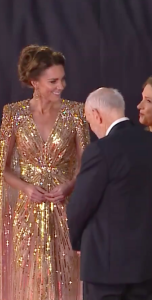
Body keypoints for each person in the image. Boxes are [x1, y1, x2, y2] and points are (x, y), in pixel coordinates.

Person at [0, 44, 90, 300]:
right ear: (34, 81)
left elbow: (88, 165)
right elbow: (3, 167)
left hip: (66, 208)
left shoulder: (76, 112)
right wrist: (26, 188)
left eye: (63, 79)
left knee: (68, 273)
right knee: (31, 275)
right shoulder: (14, 114)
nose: (61, 86)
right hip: (28, 210)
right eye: (53, 81)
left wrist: (69, 186)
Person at [67, 88, 152, 300]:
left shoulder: (100, 150)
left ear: (96, 115)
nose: (91, 126)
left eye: (89, 120)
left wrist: (77, 243)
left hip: (106, 270)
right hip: (146, 267)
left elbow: (79, 207)